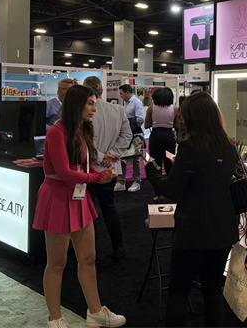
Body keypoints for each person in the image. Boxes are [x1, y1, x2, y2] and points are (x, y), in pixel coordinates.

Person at [32, 85, 125, 328]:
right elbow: (64, 173)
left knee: (88, 258)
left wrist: (100, 174)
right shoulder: (56, 132)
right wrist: (96, 177)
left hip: (78, 198)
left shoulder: (82, 130)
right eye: (91, 103)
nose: (95, 108)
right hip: (58, 199)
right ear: (77, 105)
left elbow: (83, 164)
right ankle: (55, 317)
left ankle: (95, 312)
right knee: (57, 263)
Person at [145, 91, 239, 327]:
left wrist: (151, 172)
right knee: (213, 289)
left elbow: (173, 189)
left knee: (179, 289)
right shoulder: (229, 146)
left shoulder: (190, 148)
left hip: (193, 229)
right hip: (223, 227)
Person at [83, 76, 132, 262]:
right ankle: (118, 248)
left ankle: (91, 251)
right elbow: (127, 136)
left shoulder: (84, 111)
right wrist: (111, 154)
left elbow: (81, 142)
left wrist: (102, 156)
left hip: (88, 168)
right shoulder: (117, 109)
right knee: (109, 208)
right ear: (101, 90)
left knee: (89, 211)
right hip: (110, 168)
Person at [116, 84, 145, 192]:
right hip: (126, 133)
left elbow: (140, 119)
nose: (120, 96)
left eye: (121, 93)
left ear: (127, 92)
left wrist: (130, 125)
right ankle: (121, 182)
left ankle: (136, 181)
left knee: (136, 157)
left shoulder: (137, 103)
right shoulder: (127, 103)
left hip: (135, 133)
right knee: (122, 156)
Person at [145, 87, 178, 176]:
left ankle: (157, 181)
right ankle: (170, 181)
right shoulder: (174, 109)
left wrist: (155, 123)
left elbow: (146, 125)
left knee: (156, 162)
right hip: (169, 137)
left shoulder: (151, 108)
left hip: (155, 137)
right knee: (169, 160)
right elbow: (176, 125)